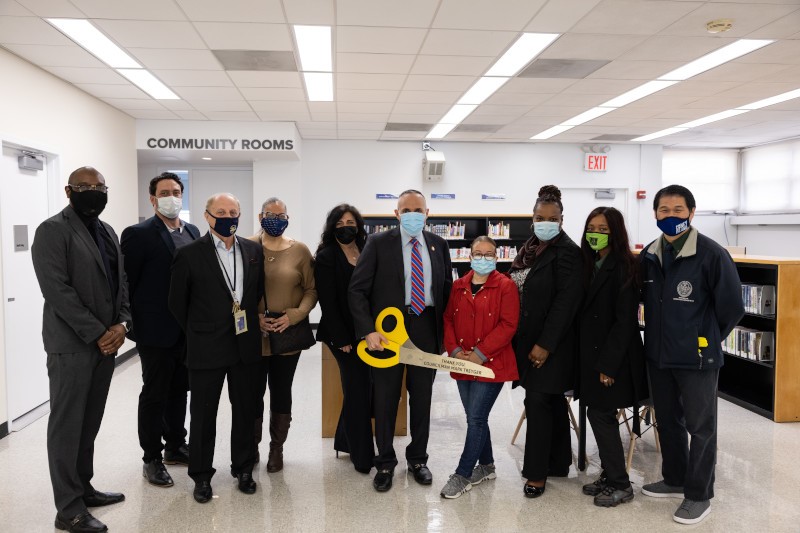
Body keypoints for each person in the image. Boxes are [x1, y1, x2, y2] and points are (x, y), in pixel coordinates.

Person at [31, 166, 130, 533]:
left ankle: (83, 487)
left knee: (89, 422)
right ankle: (68, 509)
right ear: (68, 190)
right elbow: (57, 290)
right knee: (67, 426)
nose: (94, 192)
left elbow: (122, 283)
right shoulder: (53, 230)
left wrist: (121, 324)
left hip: (106, 343)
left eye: (100, 186)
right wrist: (97, 333)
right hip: (72, 345)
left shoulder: (107, 231)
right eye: (85, 187)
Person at [640, 185, 744, 525]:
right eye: (664, 210)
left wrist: (705, 339)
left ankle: (699, 495)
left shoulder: (712, 255)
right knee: (668, 421)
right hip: (659, 356)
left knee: (701, 428)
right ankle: (675, 478)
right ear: (655, 214)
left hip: (697, 359)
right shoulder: (650, 255)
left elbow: (731, 309)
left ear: (692, 213)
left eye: (678, 210)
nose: (671, 216)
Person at [349, 189, 453, 493]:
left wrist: (445, 337)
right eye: (405, 209)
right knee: (385, 399)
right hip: (388, 333)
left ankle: (418, 460)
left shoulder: (439, 245)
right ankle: (384, 463)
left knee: (422, 399)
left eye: (417, 209)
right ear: (396, 214)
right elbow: (357, 290)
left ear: (427, 213)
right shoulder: (379, 243)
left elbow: (445, 291)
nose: (412, 214)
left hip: (426, 329)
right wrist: (368, 330)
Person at [167, 193, 264, 503]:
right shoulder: (190, 254)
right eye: (221, 211)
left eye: (234, 211)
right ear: (207, 217)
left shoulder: (252, 250)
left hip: (245, 345)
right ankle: (201, 475)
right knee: (204, 415)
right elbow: (176, 304)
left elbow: (254, 293)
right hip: (205, 346)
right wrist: (200, 330)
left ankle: (244, 469)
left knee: (246, 411)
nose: (228, 216)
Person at [121, 172, 200, 488]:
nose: (172, 197)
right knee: (154, 393)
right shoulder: (138, 234)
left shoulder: (192, 231)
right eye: (165, 192)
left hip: (188, 330)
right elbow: (127, 282)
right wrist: (130, 322)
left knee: (180, 388)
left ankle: (176, 446)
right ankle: (151, 457)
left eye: (177, 191)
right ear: (152, 199)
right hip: (155, 330)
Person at [509, 184, 582, 499]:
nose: (545, 222)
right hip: (529, 342)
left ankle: (536, 474)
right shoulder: (528, 248)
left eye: (552, 218)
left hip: (554, 347)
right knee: (550, 402)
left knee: (537, 402)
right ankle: (558, 462)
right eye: (540, 217)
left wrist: (546, 344)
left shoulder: (568, 253)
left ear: (562, 220)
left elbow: (565, 303)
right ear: (533, 219)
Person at [575, 207, 648, 507]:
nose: (596, 233)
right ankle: (609, 475)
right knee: (598, 413)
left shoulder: (624, 266)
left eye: (603, 229)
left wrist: (608, 365)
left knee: (600, 415)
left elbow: (625, 322)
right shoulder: (590, 262)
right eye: (592, 227)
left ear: (615, 232)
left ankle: (621, 483)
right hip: (593, 356)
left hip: (614, 359)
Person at [439, 236, 519, 499]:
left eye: (489, 254)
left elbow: (508, 325)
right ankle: (487, 466)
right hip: (462, 363)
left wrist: (480, 354)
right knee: (476, 417)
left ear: (497, 257)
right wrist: (454, 351)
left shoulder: (505, 286)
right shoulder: (459, 285)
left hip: (492, 365)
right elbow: (448, 319)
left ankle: (462, 474)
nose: (483, 258)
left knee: (475, 418)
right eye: (478, 253)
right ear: (469, 255)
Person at [248, 197, 317, 472]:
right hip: (255, 334)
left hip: (287, 333)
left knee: (281, 390)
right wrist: (255, 320)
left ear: (288, 217)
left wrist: (295, 315)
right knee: (252, 393)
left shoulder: (300, 250)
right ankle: (251, 447)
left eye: (281, 214)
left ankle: (276, 449)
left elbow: (312, 290)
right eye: (269, 214)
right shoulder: (246, 247)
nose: (275, 218)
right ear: (259, 216)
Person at [314, 204, 375, 474]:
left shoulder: (368, 249)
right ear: (331, 228)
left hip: (368, 331)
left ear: (359, 225)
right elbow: (328, 300)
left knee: (363, 388)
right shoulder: (326, 256)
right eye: (339, 224)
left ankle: (344, 440)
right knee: (357, 390)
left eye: (350, 222)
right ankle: (363, 457)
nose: (345, 227)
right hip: (342, 335)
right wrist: (341, 338)